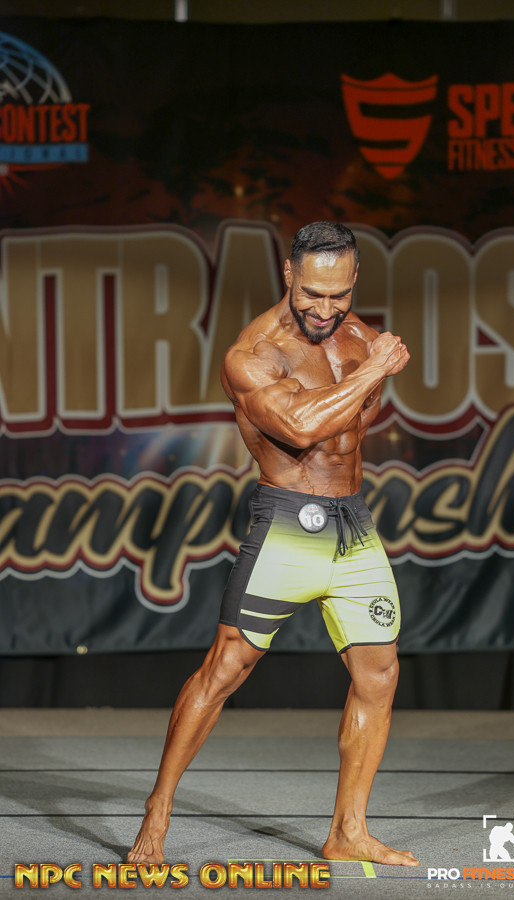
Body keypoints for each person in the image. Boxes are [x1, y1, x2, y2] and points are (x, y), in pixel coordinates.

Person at [127, 221, 418, 867]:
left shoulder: (359, 337)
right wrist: (375, 369)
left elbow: (352, 428)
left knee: (380, 674)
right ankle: (159, 807)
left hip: (353, 526)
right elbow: (302, 428)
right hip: (288, 523)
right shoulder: (254, 352)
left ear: (354, 280)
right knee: (226, 668)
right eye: (312, 293)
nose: (324, 308)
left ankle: (348, 831)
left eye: (338, 294)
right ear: (289, 275)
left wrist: (369, 363)